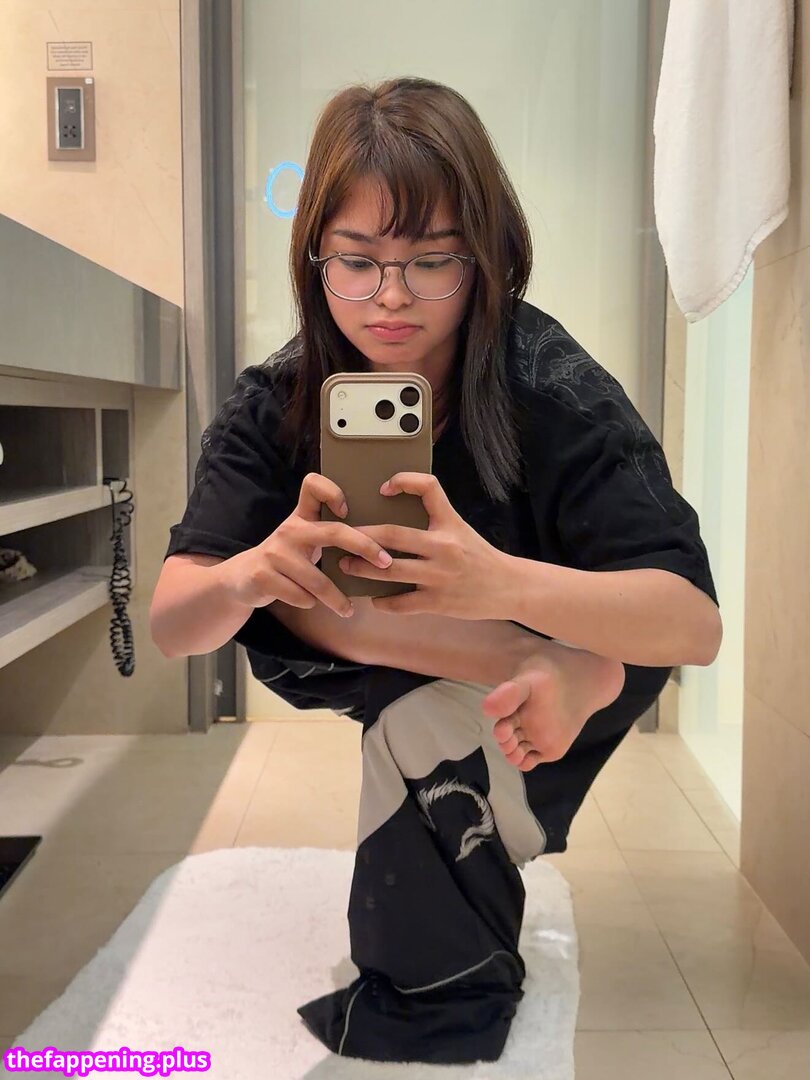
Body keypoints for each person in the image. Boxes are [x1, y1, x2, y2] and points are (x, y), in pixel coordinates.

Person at [150, 76, 721, 1065]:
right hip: (437, 650)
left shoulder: (548, 383)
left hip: (578, 636)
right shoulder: (276, 401)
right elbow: (173, 624)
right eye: (357, 261)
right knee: (328, 593)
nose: (392, 297)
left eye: (432, 261)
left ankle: (557, 674)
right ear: (314, 257)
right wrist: (250, 573)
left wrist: (503, 583)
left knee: (421, 743)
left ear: (488, 255)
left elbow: (692, 626)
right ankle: (541, 665)